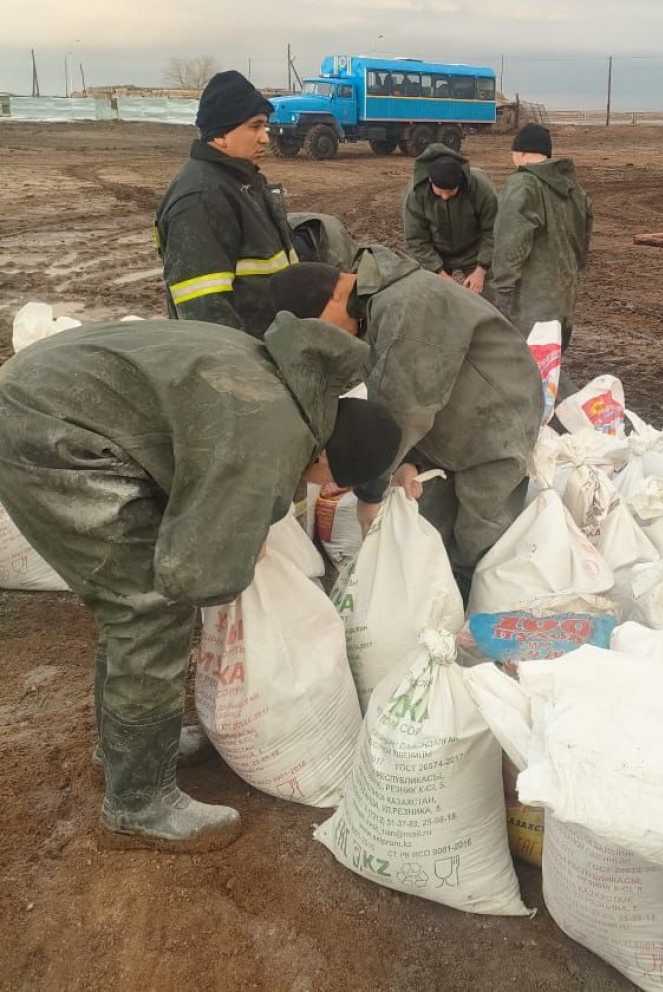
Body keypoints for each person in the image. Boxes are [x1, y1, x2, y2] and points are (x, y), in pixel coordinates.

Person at [0, 314, 400, 852]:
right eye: (334, 480)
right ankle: (139, 803)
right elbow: (193, 573)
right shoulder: (271, 435)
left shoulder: (292, 386)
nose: (325, 487)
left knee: (135, 603)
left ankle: (125, 750)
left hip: (56, 398)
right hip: (49, 435)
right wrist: (236, 552)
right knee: (150, 609)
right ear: (326, 455)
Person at [267, 250, 544, 587]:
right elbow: (401, 389)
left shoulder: (408, 307)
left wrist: (369, 495)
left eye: (319, 329)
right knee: (430, 531)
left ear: (337, 295)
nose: (327, 342)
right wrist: (411, 460)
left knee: (481, 544)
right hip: (450, 423)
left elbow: (403, 408)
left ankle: (477, 608)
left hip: (496, 426)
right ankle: (442, 599)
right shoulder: (370, 309)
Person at [154, 70, 299, 336]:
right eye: (255, 126)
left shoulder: (241, 182)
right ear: (221, 134)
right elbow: (207, 319)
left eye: (265, 126)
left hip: (272, 343)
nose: (265, 137)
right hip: (246, 352)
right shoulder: (200, 199)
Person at [489, 123, 593, 348]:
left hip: (529, 300)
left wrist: (503, 290)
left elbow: (510, 241)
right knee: (551, 359)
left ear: (521, 152)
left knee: (523, 362)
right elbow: (583, 240)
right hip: (564, 295)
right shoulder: (575, 189)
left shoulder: (523, 185)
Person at [401, 143, 497, 295]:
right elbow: (416, 240)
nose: (445, 197)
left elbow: (494, 230)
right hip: (437, 252)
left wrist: (481, 269)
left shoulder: (480, 188)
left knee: (488, 299)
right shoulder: (416, 193)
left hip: (475, 250)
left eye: (451, 192)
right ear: (430, 181)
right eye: (440, 193)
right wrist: (440, 273)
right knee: (435, 299)